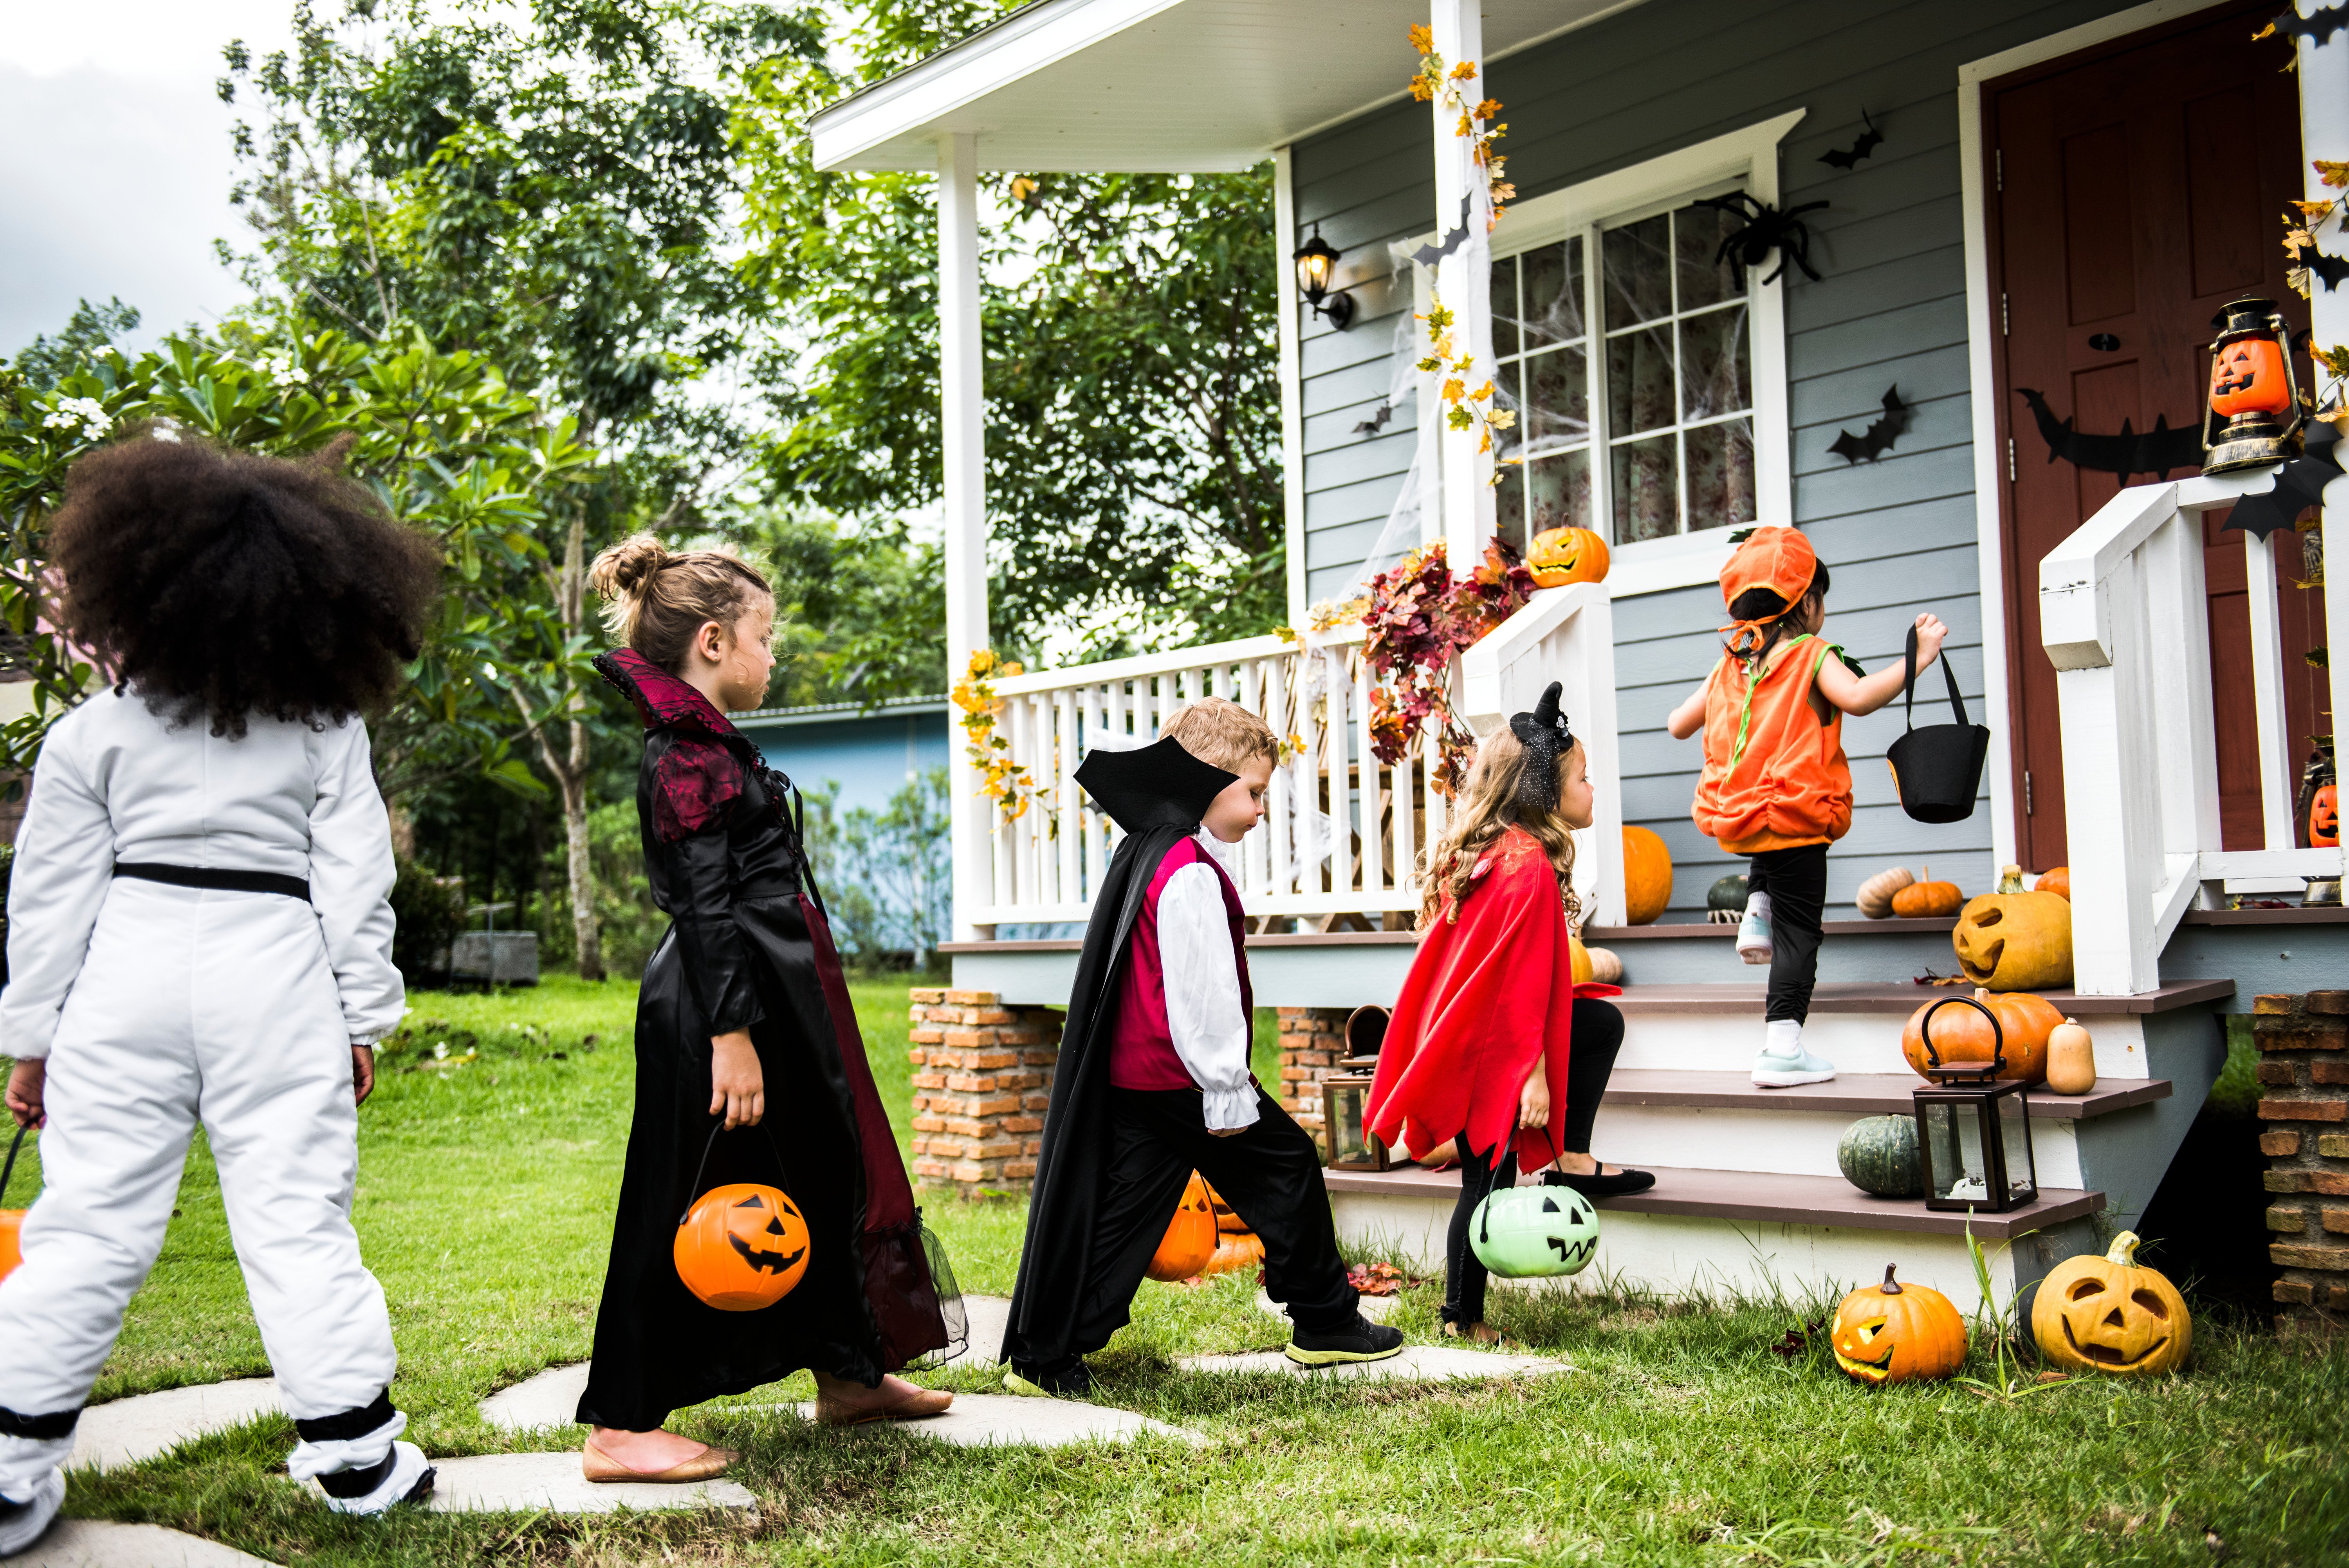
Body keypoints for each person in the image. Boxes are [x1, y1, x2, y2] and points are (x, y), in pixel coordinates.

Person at [0, 432, 444, 1556]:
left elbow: (46, 905)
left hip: (124, 973)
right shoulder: (324, 729)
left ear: (133, 585)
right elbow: (356, 885)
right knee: (297, 1215)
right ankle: (355, 1455)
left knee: (88, 1224)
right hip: (276, 968)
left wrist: (32, 1042)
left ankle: (8, 1470)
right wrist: (360, 1017)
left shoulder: (88, 735)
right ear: (307, 590)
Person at [576, 534, 952, 1483]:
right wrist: (731, 1036)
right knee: (677, 1192)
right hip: (721, 1001)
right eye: (764, 636)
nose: (772, 654)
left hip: (779, 990)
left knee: (823, 1174)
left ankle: (849, 1370)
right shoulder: (682, 755)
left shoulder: (712, 741)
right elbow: (703, 906)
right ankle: (620, 1424)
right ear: (711, 640)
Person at [1001, 698, 1403, 1395]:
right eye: (1253, 792)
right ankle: (1326, 1321)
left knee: (1127, 1216)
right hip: (1185, 1077)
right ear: (1207, 779)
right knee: (1290, 1166)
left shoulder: (1154, 847)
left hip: (1140, 1078)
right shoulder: (1186, 868)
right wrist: (1226, 1089)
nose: (1261, 809)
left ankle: (1050, 1350)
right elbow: (1200, 993)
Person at [1366, 683, 1645, 1345]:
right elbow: (1517, 989)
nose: (1593, 789)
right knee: (1485, 1180)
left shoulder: (1507, 852)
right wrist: (1533, 1077)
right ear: (1546, 789)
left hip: (1486, 1035)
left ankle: (1570, 1155)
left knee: (1598, 1023)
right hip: (1493, 1051)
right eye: (1583, 777)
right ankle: (1462, 1316)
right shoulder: (1526, 867)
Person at [1664, 526, 1948, 1087]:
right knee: (1800, 934)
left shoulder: (1731, 663)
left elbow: (1678, 724)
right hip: (1794, 819)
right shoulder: (1812, 655)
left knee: (1769, 841)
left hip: (1738, 819)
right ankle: (1782, 1048)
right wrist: (1918, 659)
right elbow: (1861, 697)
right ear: (1809, 603)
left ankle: (1755, 909)